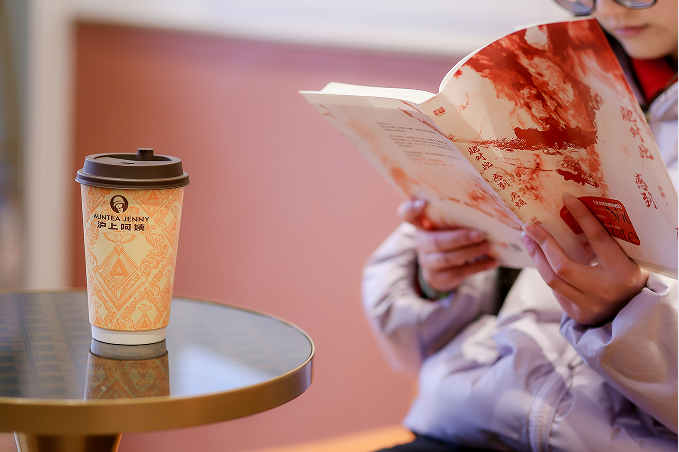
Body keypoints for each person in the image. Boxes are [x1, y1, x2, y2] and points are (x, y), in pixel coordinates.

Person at [361, 1, 678, 451]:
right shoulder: (545, 71)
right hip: (467, 421)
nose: (607, 9)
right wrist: (432, 280)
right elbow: (408, 348)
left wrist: (626, 316)